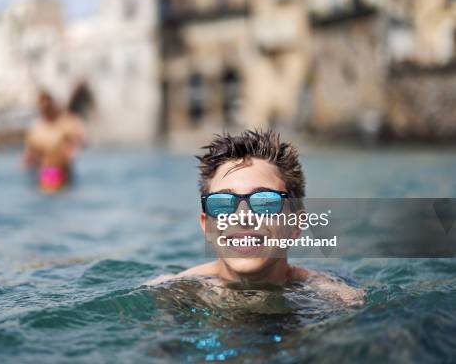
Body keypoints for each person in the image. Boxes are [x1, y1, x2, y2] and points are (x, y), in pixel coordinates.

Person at [147, 130, 363, 306]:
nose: (243, 217)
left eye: (265, 201)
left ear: (296, 224)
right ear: (207, 226)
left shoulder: (338, 300)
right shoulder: (170, 294)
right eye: (222, 202)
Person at [24, 90, 85, 192]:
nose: (46, 109)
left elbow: (80, 140)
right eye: (43, 107)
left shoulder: (66, 122)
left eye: (48, 106)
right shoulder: (36, 128)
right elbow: (29, 155)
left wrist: (70, 151)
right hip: (46, 171)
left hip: (62, 170)